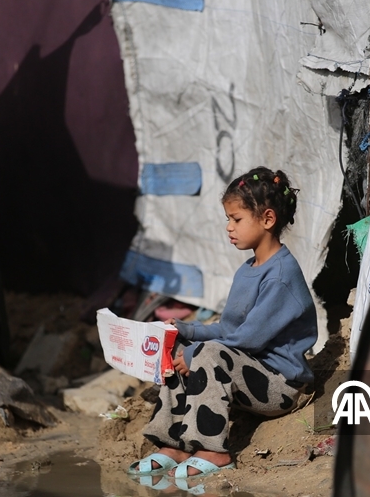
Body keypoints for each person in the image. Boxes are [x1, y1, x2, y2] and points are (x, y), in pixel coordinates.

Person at [129, 166, 318, 479]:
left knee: (207, 354)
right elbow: (230, 330)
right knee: (178, 346)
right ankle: (173, 444)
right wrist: (185, 330)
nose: (229, 227)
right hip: (248, 372)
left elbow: (248, 341)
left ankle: (213, 450)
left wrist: (196, 353)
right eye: (228, 219)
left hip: (280, 386)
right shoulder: (247, 269)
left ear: (268, 219)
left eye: (237, 219)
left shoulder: (282, 276)